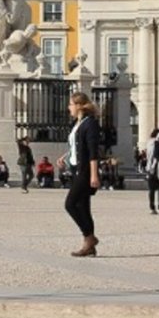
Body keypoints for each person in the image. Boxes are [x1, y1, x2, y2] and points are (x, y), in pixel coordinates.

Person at [63, 92, 101, 257]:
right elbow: (76, 146)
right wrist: (64, 157)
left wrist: (94, 175)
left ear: (79, 106)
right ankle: (89, 246)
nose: (69, 107)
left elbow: (93, 152)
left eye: (71, 104)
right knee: (84, 207)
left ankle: (89, 237)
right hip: (75, 168)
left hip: (85, 171)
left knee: (70, 204)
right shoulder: (77, 124)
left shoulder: (90, 124)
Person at [147, 130, 159, 215]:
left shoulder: (149, 143)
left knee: (151, 190)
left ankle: (152, 207)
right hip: (158, 168)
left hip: (150, 169)